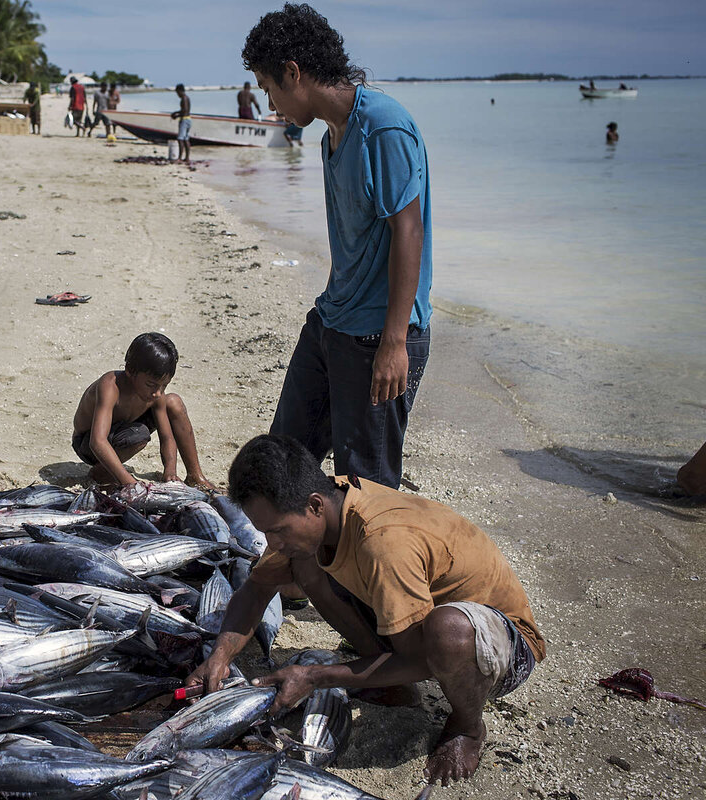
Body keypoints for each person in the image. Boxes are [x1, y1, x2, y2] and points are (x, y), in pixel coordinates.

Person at [188, 435, 546, 787]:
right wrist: (219, 655)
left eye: (278, 530)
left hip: (501, 647)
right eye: (266, 532)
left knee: (447, 631)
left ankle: (469, 727)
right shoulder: (327, 502)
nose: (272, 543)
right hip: (420, 628)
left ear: (314, 505)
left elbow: (420, 660)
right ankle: (396, 685)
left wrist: (316, 676)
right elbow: (256, 590)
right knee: (305, 564)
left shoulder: (383, 542)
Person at [243, 3, 432, 491]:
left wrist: (393, 343)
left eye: (269, 88)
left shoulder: (383, 128)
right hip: (332, 321)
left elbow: (408, 232)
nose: (271, 103)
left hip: (377, 338)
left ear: (293, 72)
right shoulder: (332, 133)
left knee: (366, 488)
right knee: (281, 465)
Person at [71, 332, 214, 489]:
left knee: (174, 403)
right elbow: (97, 441)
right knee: (138, 435)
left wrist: (170, 471)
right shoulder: (111, 386)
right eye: (150, 384)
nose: (157, 393)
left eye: (163, 385)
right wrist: (129, 483)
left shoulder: (155, 393)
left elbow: (166, 437)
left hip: (124, 429)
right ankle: (101, 472)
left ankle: (195, 476)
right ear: (130, 372)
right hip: (88, 444)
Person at [171, 83, 191, 162]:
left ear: (180, 91)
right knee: (185, 139)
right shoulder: (186, 98)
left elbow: (185, 110)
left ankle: (180, 158)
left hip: (185, 120)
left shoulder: (184, 98)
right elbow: (184, 110)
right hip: (188, 119)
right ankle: (187, 158)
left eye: (177, 92)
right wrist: (177, 113)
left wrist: (176, 115)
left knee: (180, 139)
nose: (177, 94)